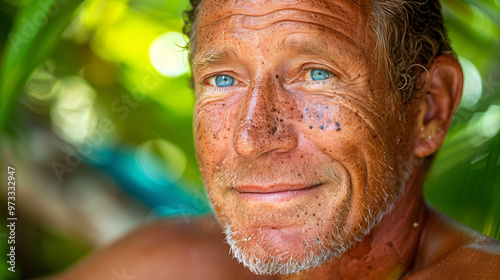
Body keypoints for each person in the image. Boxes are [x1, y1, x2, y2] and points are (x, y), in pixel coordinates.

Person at [54, 0, 500, 279]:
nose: (252, 137)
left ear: (430, 108)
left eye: (317, 73)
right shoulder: (173, 261)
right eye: (223, 78)